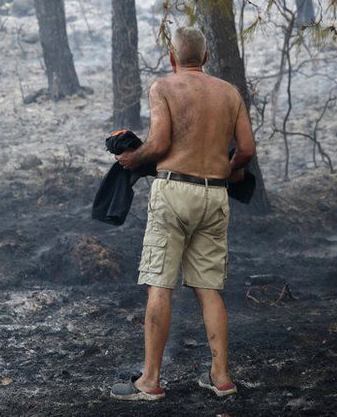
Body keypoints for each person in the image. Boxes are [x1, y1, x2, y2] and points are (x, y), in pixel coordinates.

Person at [109, 26, 256, 401]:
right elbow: (248, 149)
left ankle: (150, 382)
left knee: (160, 285)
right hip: (214, 195)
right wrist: (232, 169)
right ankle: (221, 377)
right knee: (210, 289)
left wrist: (132, 158)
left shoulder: (163, 87)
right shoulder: (229, 92)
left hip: (173, 191)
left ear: (172, 57)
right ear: (205, 57)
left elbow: (158, 144)